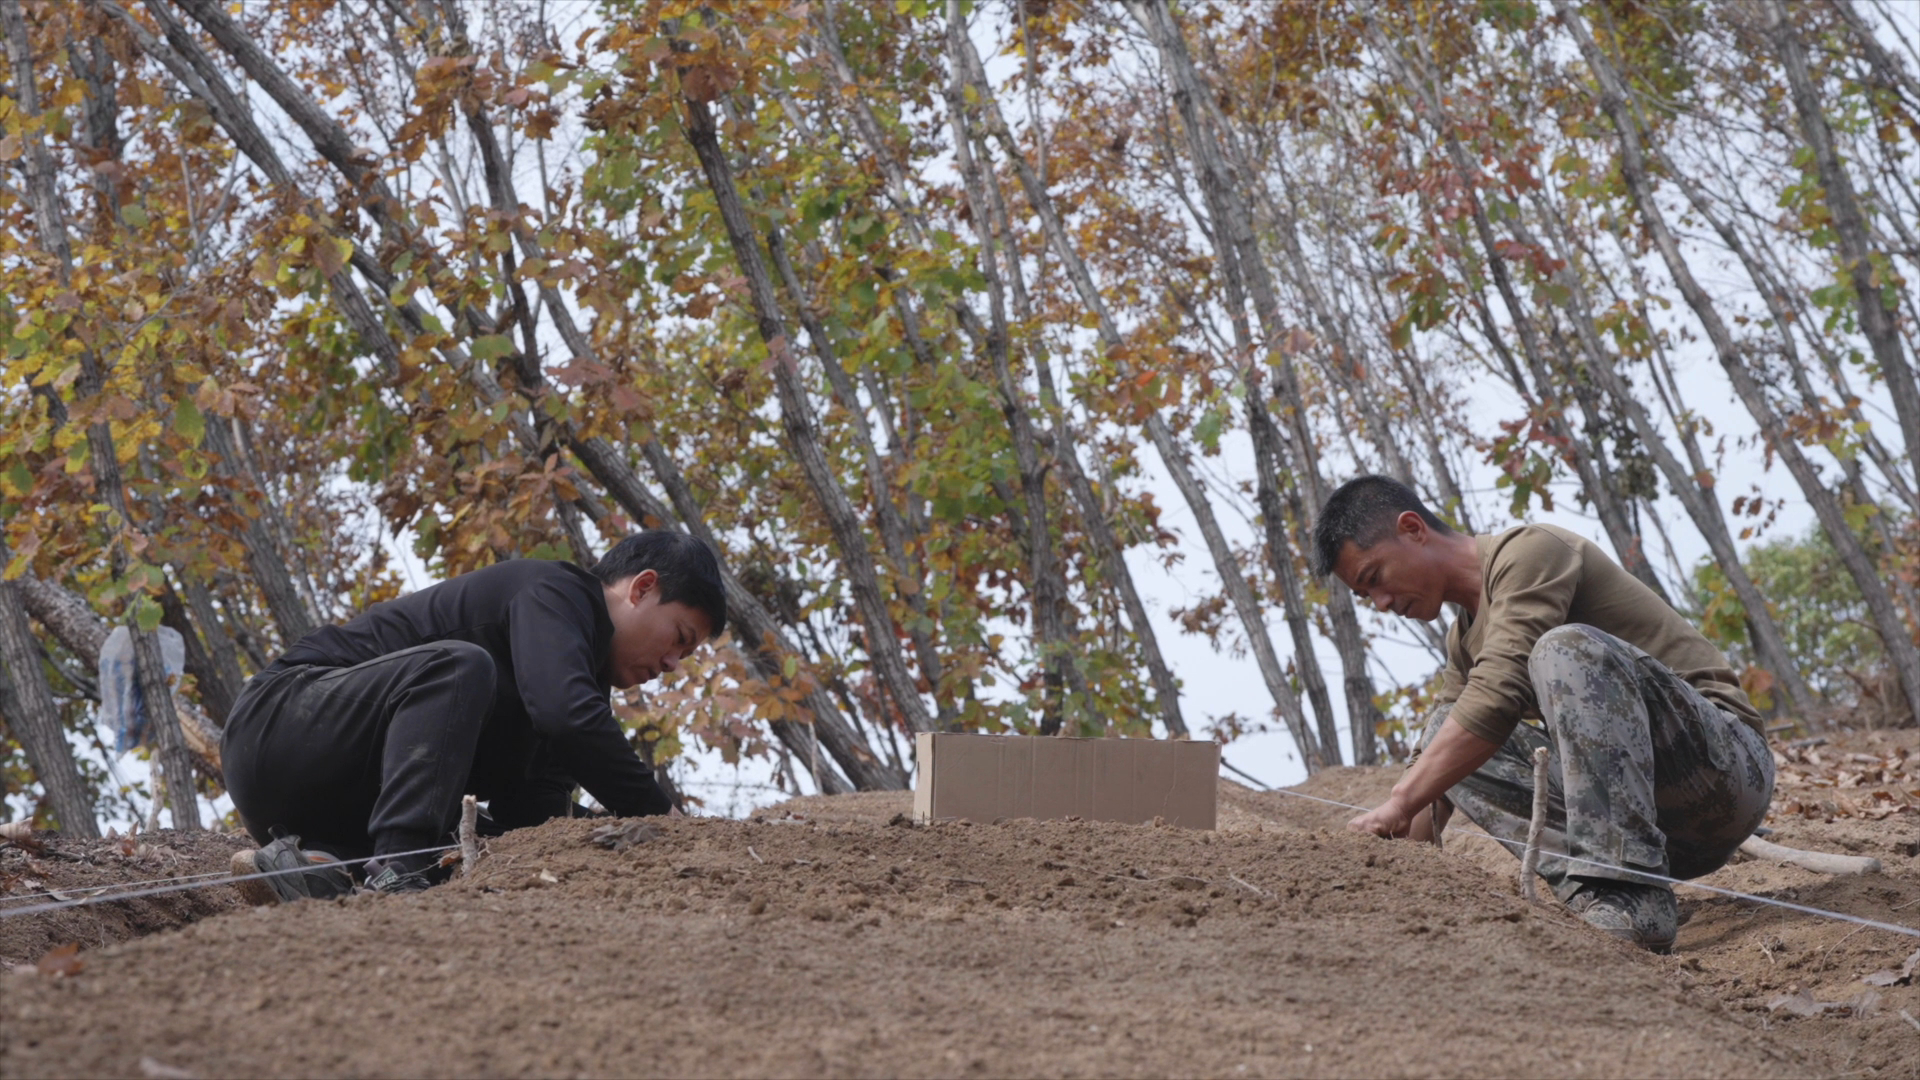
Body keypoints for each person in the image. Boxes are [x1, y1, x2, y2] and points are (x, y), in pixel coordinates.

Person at [1313, 476, 1773, 952]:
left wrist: (1398, 801)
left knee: (1564, 649)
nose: (1383, 604)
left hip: (1726, 775)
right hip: (1661, 835)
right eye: (1368, 598)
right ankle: (1603, 896)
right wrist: (1380, 869)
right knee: (1440, 733)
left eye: (1375, 578)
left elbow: (1499, 692)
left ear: (1412, 528)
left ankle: (1630, 894)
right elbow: (1438, 765)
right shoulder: (1463, 642)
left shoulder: (1532, 551)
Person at [222, 530, 726, 899]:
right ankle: (397, 867)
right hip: (280, 722)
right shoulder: (556, 591)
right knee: (459, 666)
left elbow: (535, 812)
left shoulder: (575, 688)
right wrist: (665, 817)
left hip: (336, 814)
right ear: (641, 588)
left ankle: (312, 869)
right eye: (679, 639)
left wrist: (623, 837)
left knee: (484, 842)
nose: (670, 665)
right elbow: (566, 716)